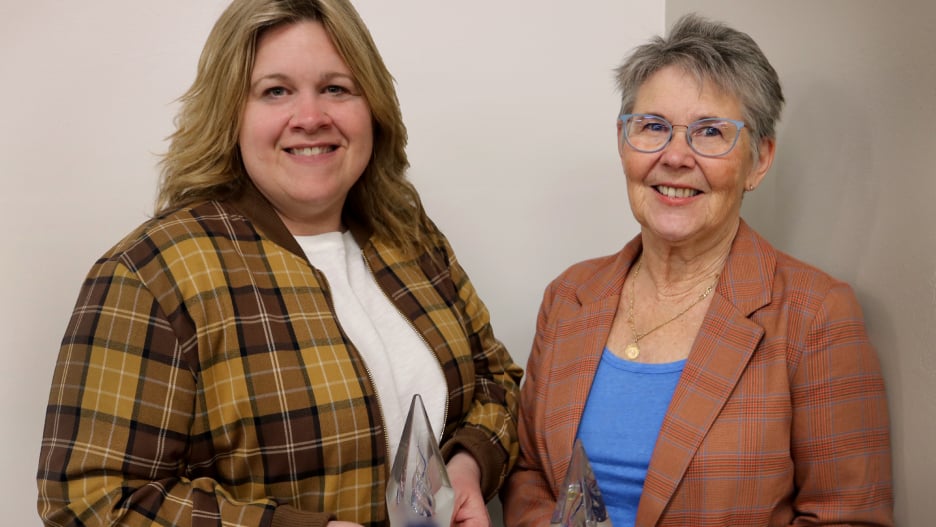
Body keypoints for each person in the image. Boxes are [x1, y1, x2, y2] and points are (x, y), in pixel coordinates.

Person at [36, 1, 522, 526]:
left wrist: (467, 465)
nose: (311, 117)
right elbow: (90, 503)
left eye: (336, 88)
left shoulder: (412, 240)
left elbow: (495, 381)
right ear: (230, 113)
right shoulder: (152, 274)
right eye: (275, 91)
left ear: (373, 107)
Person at [501, 14, 893, 527]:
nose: (675, 156)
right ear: (624, 142)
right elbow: (530, 472)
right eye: (653, 127)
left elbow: (850, 518)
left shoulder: (816, 315)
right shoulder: (569, 295)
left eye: (711, 132)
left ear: (759, 160)